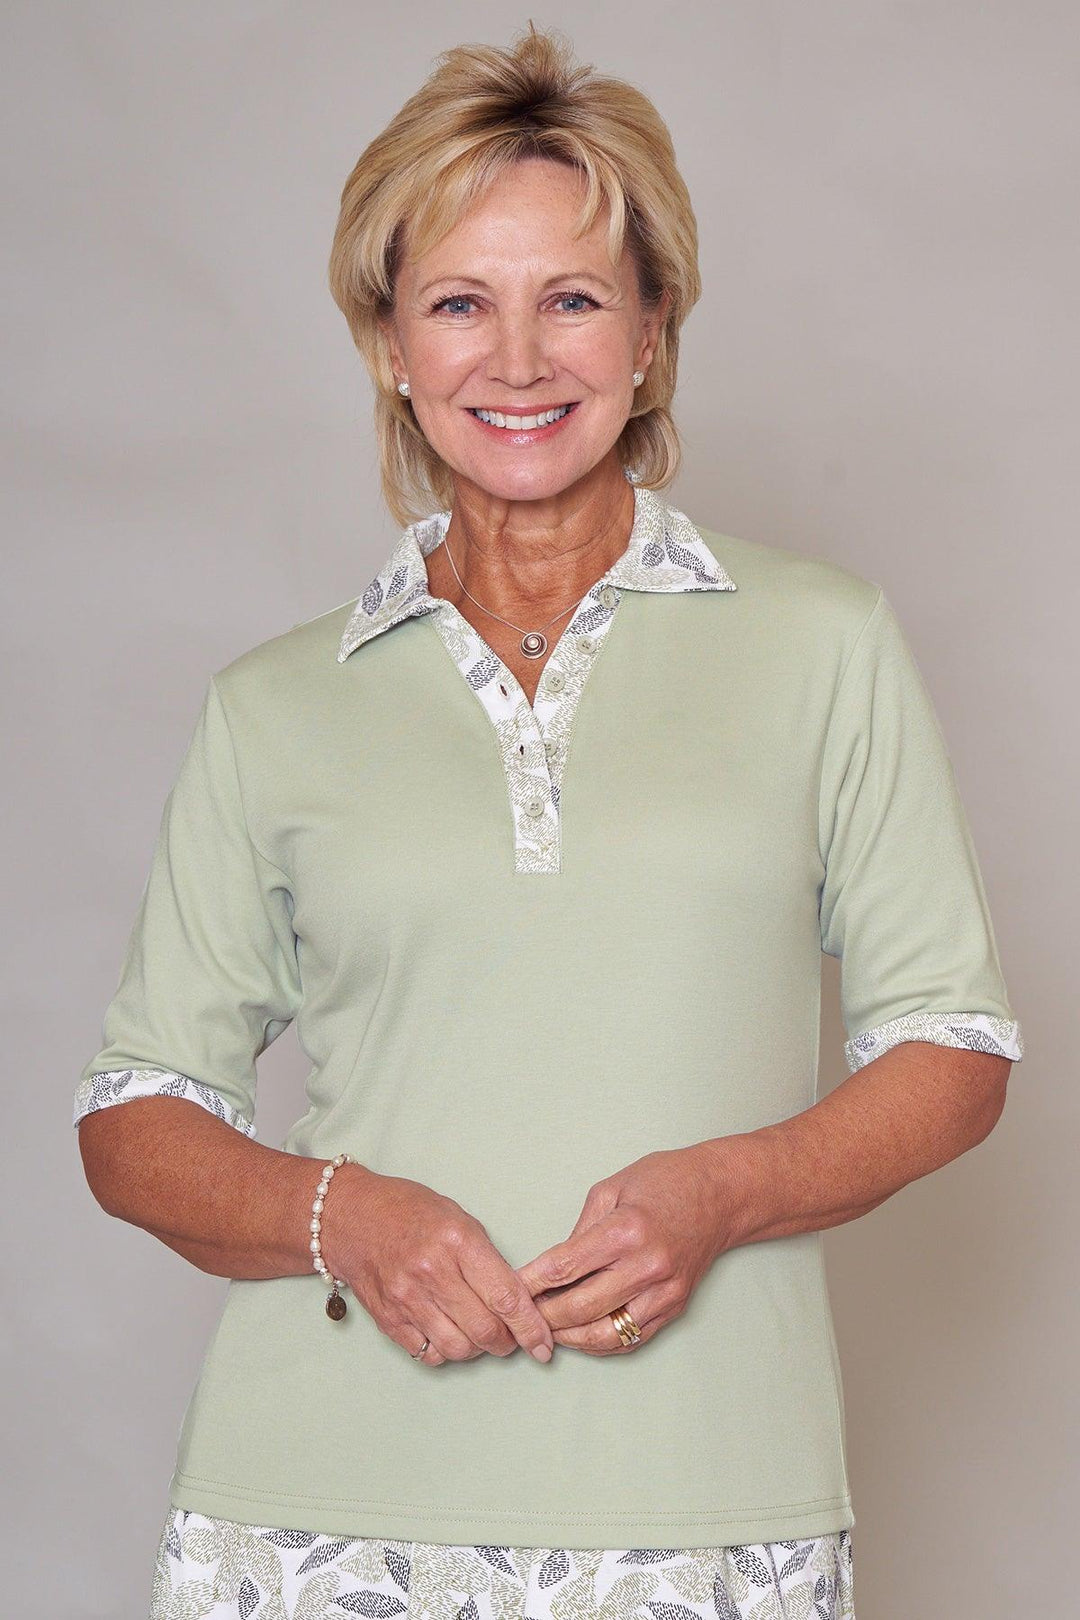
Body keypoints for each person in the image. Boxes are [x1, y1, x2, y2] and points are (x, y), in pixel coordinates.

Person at [73, 24, 1023, 1620]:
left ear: (651, 332)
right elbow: (133, 1117)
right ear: (390, 343)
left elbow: (956, 1047)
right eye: (460, 303)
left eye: (571, 299)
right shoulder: (274, 705)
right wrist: (343, 1215)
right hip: (316, 1509)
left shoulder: (825, 644)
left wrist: (727, 1192)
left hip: (707, 1490)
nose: (517, 361)